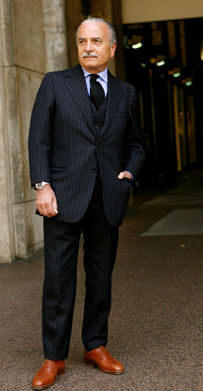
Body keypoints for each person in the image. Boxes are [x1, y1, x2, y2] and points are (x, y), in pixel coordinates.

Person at [28, 16, 144, 390]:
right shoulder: (55, 84)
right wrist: (42, 186)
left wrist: (128, 172)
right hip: (62, 197)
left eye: (96, 41)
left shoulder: (125, 92)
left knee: (100, 279)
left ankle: (95, 345)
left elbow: (136, 144)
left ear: (112, 48)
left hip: (106, 198)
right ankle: (54, 356)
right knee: (58, 279)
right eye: (82, 41)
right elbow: (39, 140)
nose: (88, 47)